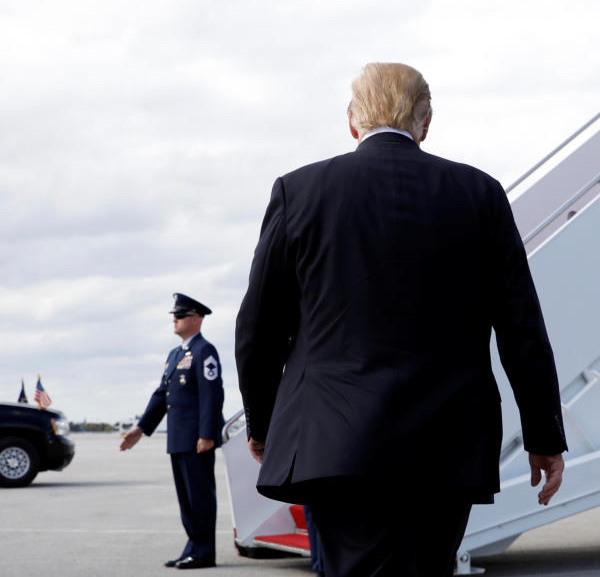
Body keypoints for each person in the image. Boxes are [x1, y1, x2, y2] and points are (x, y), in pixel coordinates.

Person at [235, 62, 567, 577]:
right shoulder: (480, 193)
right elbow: (522, 326)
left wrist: (261, 421)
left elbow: (259, 327)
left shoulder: (298, 191)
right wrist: (543, 434)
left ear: (352, 121)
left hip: (333, 440)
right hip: (449, 441)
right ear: (426, 121)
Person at [121, 293, 225, 570]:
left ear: (195, 318)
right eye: (174, 317)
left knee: (200, 497)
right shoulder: (176, 355)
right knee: (187, 500)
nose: (174, 321)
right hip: (178, 438)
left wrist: (207, 434)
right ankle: (193, 547)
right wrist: (140, 428)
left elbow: (212, 395)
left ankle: (204, 552)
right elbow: (162, 394)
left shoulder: (205, 351)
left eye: (179, 317)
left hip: (196, 440)